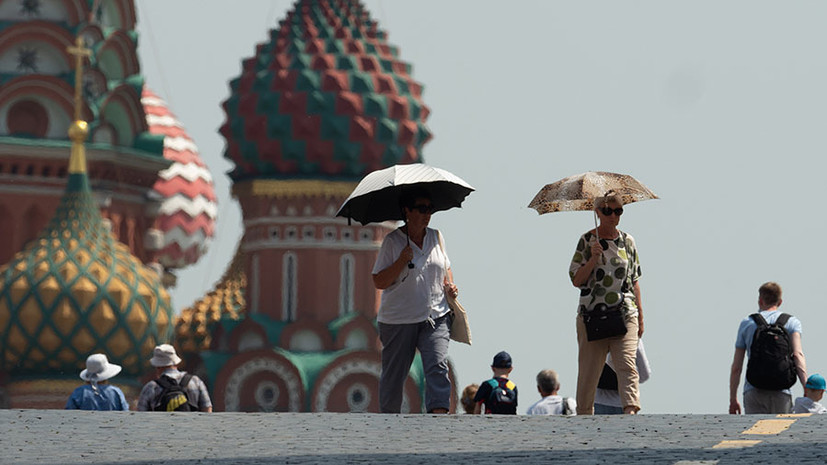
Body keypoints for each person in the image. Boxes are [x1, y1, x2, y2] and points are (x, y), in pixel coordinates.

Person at [372, 187, 458, 414]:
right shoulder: (393, 241)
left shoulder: (436, 237)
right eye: (421, 208)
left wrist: (450, 285)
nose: (427, 214)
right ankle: (389, 420)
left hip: (435, 316)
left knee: (438, 364)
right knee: (395, 374)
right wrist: (401, 260)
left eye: (430, 209)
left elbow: (445, 267)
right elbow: (379, 281)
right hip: (399, 319)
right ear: (406, 211)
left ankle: (438, 414)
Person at [569, 192, 643, 415]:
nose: (613, 216)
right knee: (589, 373)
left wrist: (641, 315)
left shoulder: (627, 241)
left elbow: (635, 280)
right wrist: (593, 259)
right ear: (598, 212)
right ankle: (584, 415)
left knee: (627, 364)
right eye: (608, 211)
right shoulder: (586, 240)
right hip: (593, 315)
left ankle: (630, 410)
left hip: (624, 312)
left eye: (618, 211)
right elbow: (576, 279)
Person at [729, 282, 807, 415]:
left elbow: (737, 367)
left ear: (760, 300)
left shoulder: (747, 323)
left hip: (754, 390)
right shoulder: (792, 322)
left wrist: (733, 399)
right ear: (780, 302)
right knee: (781, 432)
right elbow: (798, 355)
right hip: (782, 390)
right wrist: (806, 387)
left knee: (754, 433)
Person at [137, 344, 213, 412]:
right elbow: (207, 408)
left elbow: (141, 417)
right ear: (176, 363)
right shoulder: (196, 382)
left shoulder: (151, 387)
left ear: (158, 367)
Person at [594, 340, 652, 414]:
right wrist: (628, 375)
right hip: (625, 402)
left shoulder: (596, 335)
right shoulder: (633, 338)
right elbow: (644, 375)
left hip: (597, 400)